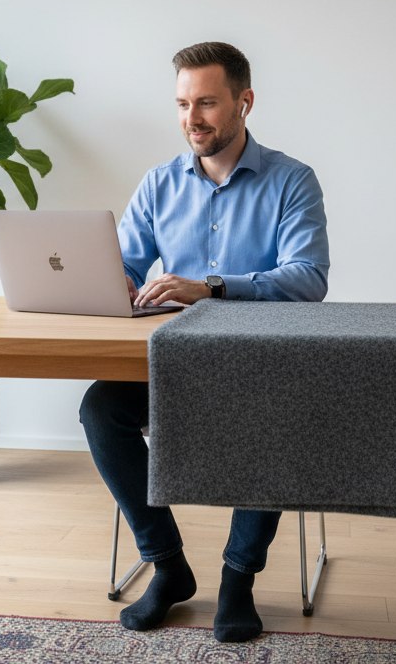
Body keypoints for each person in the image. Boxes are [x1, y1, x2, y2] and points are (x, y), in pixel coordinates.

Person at [79, 41, 330, 642]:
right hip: (176, 366)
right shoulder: (159, 183)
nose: (193, 118)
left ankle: (238, 578)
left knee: (276, 418)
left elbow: (309, 278)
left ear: (245, 102)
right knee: (100, 409)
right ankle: (168, 568)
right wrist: (101, 279)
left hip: (262, 367)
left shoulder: (292, 181)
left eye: (208, 103)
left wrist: (210, 288)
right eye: (183, 103)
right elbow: (127, 268)